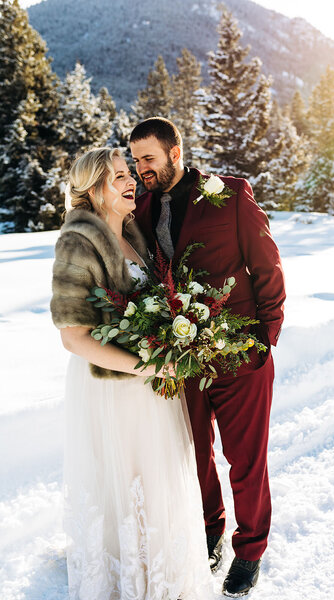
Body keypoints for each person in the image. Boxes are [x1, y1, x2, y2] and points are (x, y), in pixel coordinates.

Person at [130, 118, 286, 597]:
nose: (141, 170)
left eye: (148, 159)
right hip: (180, 356)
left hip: (240, 354)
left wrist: (264, 340)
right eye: (135, 161)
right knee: (194, 454)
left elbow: (267, 265)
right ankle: (211, 529)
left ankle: (250, 550)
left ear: (175, 153)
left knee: (245, 459)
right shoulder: (140, 205)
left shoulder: (231, 194)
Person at [50, 147, 212, 600]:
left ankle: (159, 572)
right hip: (113, 388)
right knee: (126, 478)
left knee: (154, 476)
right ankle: (127, 577)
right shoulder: (79, 240)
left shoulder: (134, 233)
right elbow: (73, 336)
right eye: (118, 176)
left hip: (151, 386)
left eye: (129, 175)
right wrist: (148, 365)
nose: (131, 182)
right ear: (93, 189)